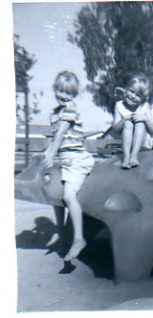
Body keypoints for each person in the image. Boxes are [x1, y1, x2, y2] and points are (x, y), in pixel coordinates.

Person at [43, 70, 94, 261]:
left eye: (69, 93)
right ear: (55, 89)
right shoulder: (54, 113)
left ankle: (79, 238)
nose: (64, 96)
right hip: (63, 160)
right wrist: (47, 152)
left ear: (74, 96)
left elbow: (62, 134)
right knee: (54, 195)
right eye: (60, 91)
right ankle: (62, 231)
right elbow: (54, 137)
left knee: (68, 195)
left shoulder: (71, 108)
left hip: (76, 160)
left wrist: (51, 152)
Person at [111, 74, 153, 169]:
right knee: (128, 123)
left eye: (138, 95)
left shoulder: (144, 106)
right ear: (126, 89)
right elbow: (115, 129)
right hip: (126, 144)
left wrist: (145, 118)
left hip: (143, 144)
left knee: (140, 123)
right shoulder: (119, 106)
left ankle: (134, 156)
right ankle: (126, 157)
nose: (133, 96)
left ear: (143, 98)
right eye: (131, 91)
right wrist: (124, 119)